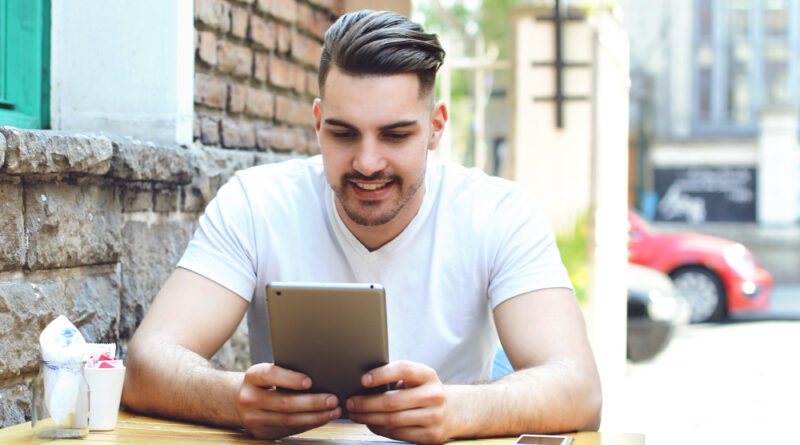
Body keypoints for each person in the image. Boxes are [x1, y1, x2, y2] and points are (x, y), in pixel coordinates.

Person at [122, 10, 601, 444]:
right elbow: (145, 364)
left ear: (436, 126)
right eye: (343, 132)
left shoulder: (498, 213)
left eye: (395, 135)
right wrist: (236, 399)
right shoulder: (256, 202)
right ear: (317, 122)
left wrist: (457, 409)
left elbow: (578, 388)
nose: (368, 162)